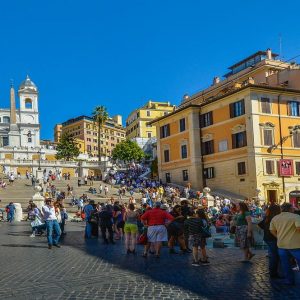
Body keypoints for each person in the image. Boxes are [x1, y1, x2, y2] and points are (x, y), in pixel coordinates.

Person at [270, 203, 300, 285]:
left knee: (285, 264)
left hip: (282, 245)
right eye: (293, 208)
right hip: (295, 245)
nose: (294, 209)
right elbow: (298, 228)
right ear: (290, 209)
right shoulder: (296, 217)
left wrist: (278, 237)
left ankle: (289, 280)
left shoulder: (275, 218)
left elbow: (272, 230)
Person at [258, 204, 282, 278]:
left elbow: (260, 224)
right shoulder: (276, 218)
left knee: (273, 255)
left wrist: (266, 229)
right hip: (273, 238)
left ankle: (273, 271)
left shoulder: (267, 217)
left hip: (267, 238)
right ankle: (273, 273)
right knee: (275, 256)